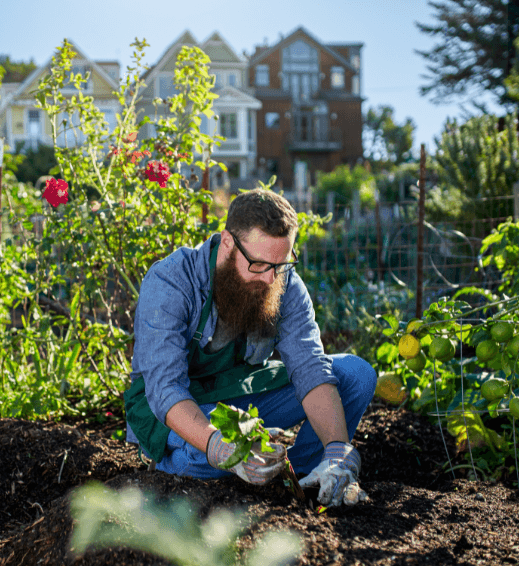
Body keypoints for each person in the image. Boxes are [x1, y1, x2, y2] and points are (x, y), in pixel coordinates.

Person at [124, 188, 376, 507]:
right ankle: (169, 468)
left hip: (239, 392)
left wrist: (338, 451)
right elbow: (165, 388)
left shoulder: (282, 281)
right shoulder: (171, 281)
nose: (271, 279)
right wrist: (218, 445)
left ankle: (308, 477)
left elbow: (310, 367)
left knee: (355, 375)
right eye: (259, 264)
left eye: (281, 264)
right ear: (228, 243)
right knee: (209, 455)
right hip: (176, 406)